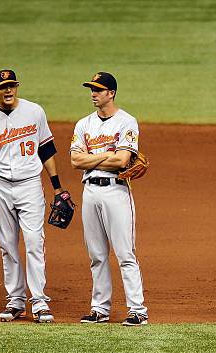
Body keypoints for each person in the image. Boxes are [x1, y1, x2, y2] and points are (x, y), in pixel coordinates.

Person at [0, 69, 69, 323]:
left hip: (30, 185)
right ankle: (15, 300)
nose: (8, 90)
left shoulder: (34, 112)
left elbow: (46, 149)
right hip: (0, 186)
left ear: (17, 87)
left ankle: (39, 301)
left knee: (35, 242)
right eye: (3, 87)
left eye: (11, 85)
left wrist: (57, 186)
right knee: (7, 244)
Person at [70, 71, 149, 326]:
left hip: (117, 191)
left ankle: (138, 310)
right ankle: (99, 309)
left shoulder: (127, 121)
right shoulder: (83, 124)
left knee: (125, 253)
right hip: (90, 192)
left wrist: (92, 158)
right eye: (92, 89)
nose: (93, 94)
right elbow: (74, 160)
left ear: (111, 93)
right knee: (97, 254)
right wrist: (107, 156)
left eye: (98, 90)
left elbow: (123, 161)